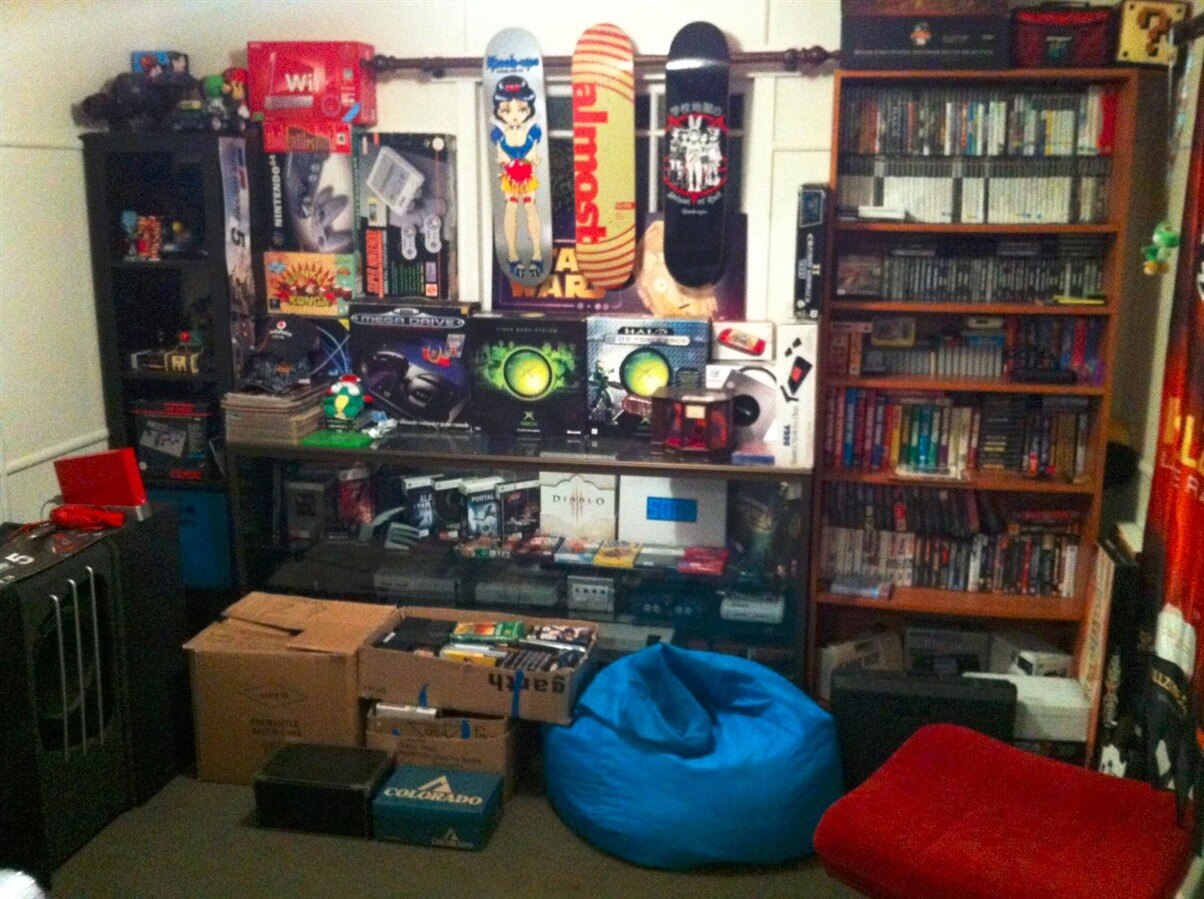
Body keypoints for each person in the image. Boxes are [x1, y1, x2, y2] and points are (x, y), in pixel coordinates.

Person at [490, 75, 544, 279]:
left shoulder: (533, 130)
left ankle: (537, 253)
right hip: (511, 176)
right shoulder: (499, 133)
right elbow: (501, 157)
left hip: (526, 175)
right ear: (499, 111)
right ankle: (512, 255)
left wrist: (520, 164)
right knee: (511, 208)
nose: (514, 116)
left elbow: (533, 156)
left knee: (530, 207)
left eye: (521, 109)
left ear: (528, 109)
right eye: (507, 110)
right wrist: (511, 165)